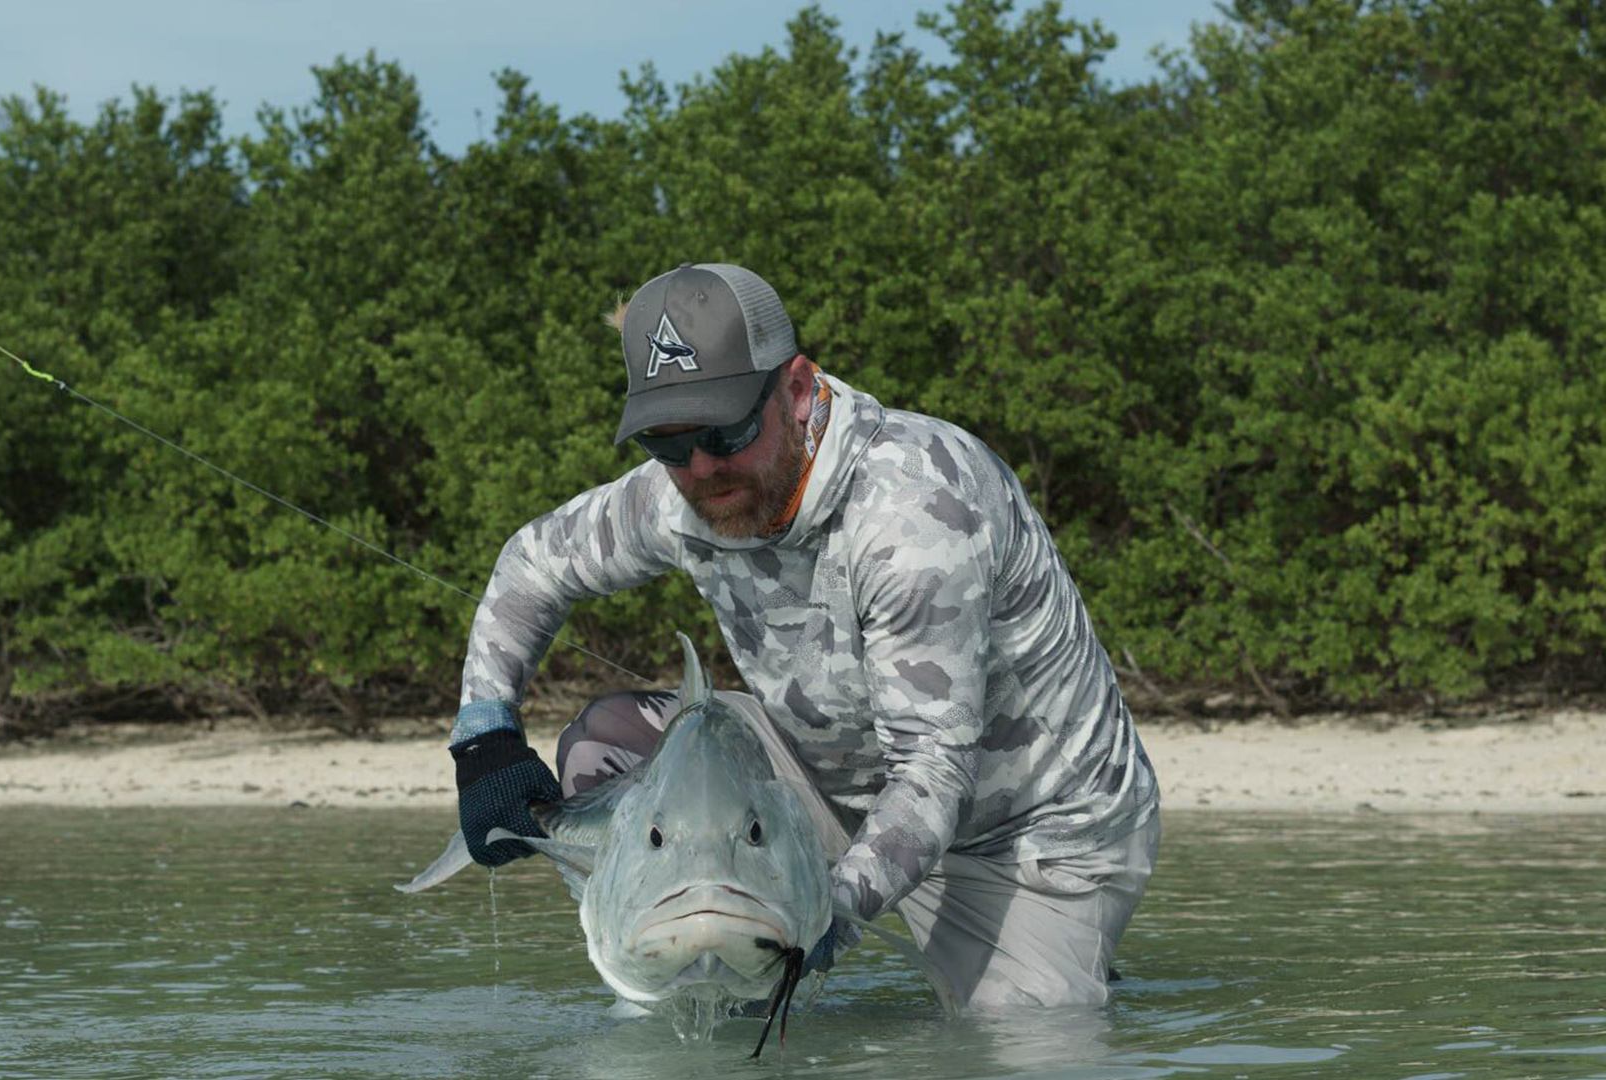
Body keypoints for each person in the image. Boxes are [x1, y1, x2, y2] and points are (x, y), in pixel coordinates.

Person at [447, 262, 1160, 1009]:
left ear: (795, 389)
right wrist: (484, 740)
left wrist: (823, 915)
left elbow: (931, 773)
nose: (699, 469)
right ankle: (678, 962)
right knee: (608, 738)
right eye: (666, 442)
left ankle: (1059, 958)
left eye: (725, 431)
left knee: (1019, 1045)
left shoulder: (913, 514)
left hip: (1025, 833)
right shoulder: (682, 492)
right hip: (826, 777)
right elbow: (533, 565)